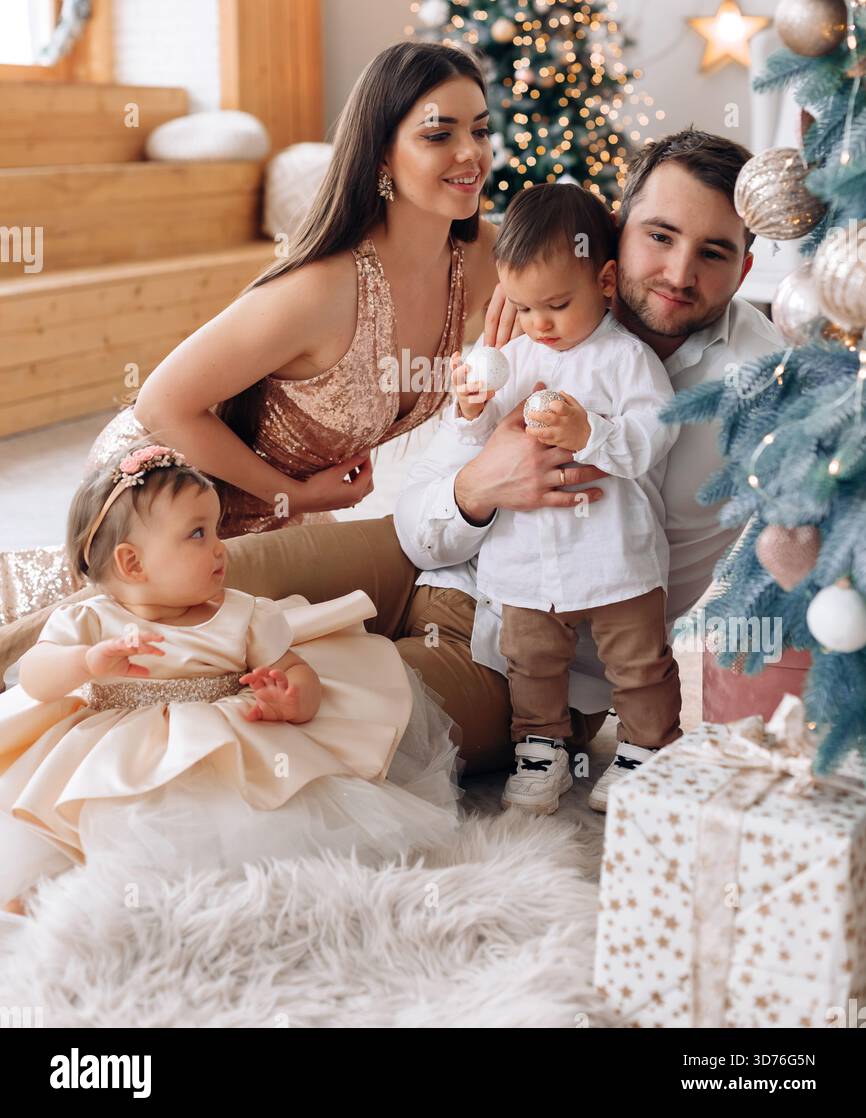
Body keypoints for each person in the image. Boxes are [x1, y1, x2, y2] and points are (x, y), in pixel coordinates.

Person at [0, 130, 785, 791]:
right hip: (419, 553)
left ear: (747, 268)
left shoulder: (770, 382)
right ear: (616, 234)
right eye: (659, 237)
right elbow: (420, 509)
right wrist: (479, 485)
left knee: (289, 702)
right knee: (176, 584)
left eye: (713, 252)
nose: (679, 273)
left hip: (528, 657)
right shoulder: (540, 310)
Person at [0, 40, 502, 624]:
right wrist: (302, 496)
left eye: (481, 130)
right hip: (172, 493)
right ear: (381, 157)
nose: (471, 154)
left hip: (280, 506)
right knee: (120, 660)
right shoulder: (323, 288)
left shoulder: (487, 257)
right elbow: (162, 403)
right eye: (438, 135)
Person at [0, 446, 461, 922]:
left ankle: (174, 892)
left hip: (221, 747)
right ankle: (52, 882)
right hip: (110, 751)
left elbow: (298, 669)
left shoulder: (242, 614)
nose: (220, 546)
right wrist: (87, 662)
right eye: (198, 534)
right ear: (132, 564)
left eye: (216, 528)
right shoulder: (88, 619)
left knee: (240, 830)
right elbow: (35, 677)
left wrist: (291, 698)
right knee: (78, 815)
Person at [446, 183, 681, 814]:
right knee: (531, 660)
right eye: (523, 308)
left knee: (638, 661)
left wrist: (591, 433)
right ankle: (541, 749)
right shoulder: (516, 358)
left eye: (555, 305)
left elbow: (653, 436)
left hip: (613, 554)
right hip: (529, 558)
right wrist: (468, 408)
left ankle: (647, 749)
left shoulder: (623, 360)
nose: (538, 324)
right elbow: (478, 443)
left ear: (606, 281)